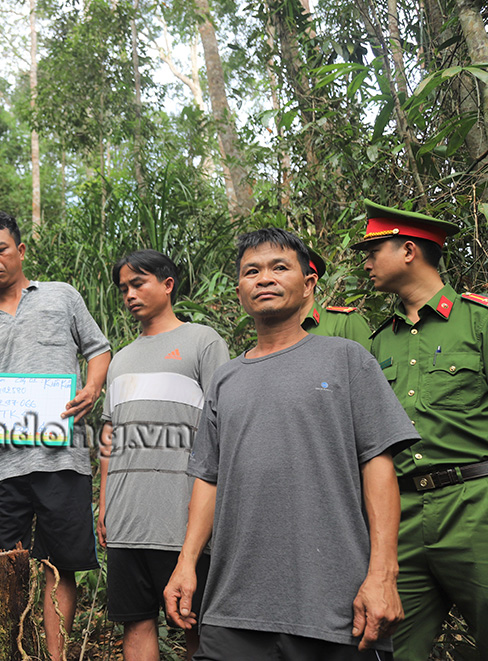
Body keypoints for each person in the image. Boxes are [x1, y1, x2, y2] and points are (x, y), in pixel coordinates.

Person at [164, 227, 418, 661]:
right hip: (233, 609)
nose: (264, 278)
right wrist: (186, 562)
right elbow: (208, 478)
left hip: (335, 610)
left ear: (308, 285)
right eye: (252, 271)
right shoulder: (226, 379)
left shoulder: (347, 359)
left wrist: (383, 575)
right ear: (240, 290)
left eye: (280, 267)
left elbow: (378, 467)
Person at [0, 211, 111, 661]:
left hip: (62, 460)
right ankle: (0, 651)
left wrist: (92, 386)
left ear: (20, 251)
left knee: (59, 565)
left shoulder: (61, 297)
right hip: (2, 467)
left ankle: (56, 657)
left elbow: (98, 349)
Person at [353, 199, 488, 660]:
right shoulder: (377, 342)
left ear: (408, 250)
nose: (366, 262)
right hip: (402, 517)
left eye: (374, 250)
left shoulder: (479, 320)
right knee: (384, 647)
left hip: (474, 507)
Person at [98, 250, 230, 661]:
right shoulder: (120, 359)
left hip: (182, 519)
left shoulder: (202, 341)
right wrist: (103, 504)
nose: (130, 295)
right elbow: (109, 436)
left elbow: (222, 426)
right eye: (124, 289)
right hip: (126, 519)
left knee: (194, 624)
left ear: (168, 284)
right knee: (134, 622)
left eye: (139, 284)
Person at [301, 245, 371, 344]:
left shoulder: (343, 323)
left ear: (308, 284)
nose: (271, 280)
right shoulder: (274, 332)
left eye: (281, 269)